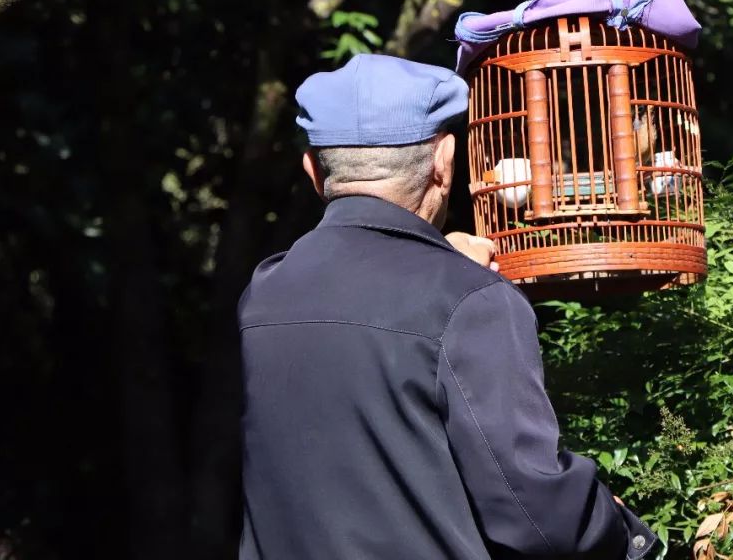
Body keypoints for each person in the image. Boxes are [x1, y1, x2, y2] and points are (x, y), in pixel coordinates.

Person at [238, 54, 658, 560]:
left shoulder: (265, 292)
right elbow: (535, 515)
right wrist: (625, 534)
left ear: (311, 169)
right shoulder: (470, 300)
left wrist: (442, 269)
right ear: (444, 160)